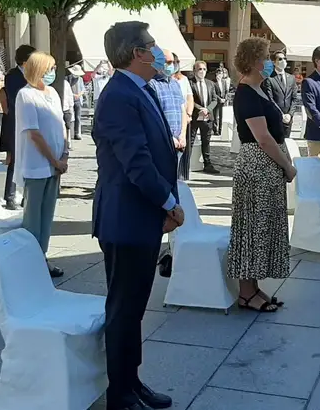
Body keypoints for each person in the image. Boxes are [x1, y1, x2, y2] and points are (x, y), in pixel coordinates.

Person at [92, 21, 182, 410]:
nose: (158, 51)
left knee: (134, 309)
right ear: (136, 53)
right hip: (126, 220)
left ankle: (132, 381)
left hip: (140, 218)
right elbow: (137, 162)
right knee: (124, 310)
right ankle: (120, 393)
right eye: (152, 45)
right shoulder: (118, 95)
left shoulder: (140, 89)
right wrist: (169, 203)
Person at [228, 37, 295, 313]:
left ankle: (253, 287)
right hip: (257, 166)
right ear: (254, 61)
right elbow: (263, 138)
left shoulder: (261, 88)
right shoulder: (246, 93)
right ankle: (246, 292)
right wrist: (287, 166)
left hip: (267, 166)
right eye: (266, 57)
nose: (270, 61)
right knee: (253, 228)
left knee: (263, 226)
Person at [16, 52, 68, 279]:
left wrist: (65, 154)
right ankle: (29, 262)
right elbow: (34, 133)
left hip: (56, 165)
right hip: (37, 165)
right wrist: (54, 160)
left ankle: (42, 257)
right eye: (50, 69)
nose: (53, 72)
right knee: (33, 217)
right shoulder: (26, 95)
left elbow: (61, 124)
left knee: (47, 216)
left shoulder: (53, 93)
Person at [0, 45, 35, 210]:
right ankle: (10, 196)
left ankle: (26, 196)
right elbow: (15, 99)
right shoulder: (12, 76)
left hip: (30, 122)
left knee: (29, 160)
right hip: (16, 123)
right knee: (15, 161)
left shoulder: (33, 75)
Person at [148, 48, 187, 160]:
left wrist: (183, 135)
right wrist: (169, 137)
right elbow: (154, 115)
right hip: (161, 142)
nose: (171, 65)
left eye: (173, 62)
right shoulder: (151, 84)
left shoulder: (175, 84)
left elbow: (182, 110)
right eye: (168, 62)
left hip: (178, 143)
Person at [189, 61, 220, 174]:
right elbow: (189, 99)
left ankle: (207, 164)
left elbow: (215, 99)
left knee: (206, 141)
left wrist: (208, 109)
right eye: (199, 69)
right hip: (195, 116)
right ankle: (185, 164)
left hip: (207, 117)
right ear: (194, 71)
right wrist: (199, 108)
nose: (202, 71)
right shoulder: (190, 83)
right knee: (190, 141)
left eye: (204, 69)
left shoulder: (210, 84)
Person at [262, 50, 298, 138]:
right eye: (280, 59)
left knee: (286, 142)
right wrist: (281, 114)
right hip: (275, 118)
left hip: (288, 119)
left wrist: (290, 114)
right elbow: (270, 99)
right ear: (274, 62)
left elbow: (294, 98)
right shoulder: (269, 78)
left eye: (285, 59)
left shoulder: (291, 78)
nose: (283, 61)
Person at [171, 54, 195, 180]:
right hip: (173, 118)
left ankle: (182, 175)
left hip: (184, 118)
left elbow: (189, 98)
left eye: (175, 62)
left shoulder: (183, 79)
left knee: (184, 147)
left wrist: (189, 114)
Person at [68, 64, 86, 140]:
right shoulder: (68, 78)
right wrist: (73, 95)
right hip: (70, 100)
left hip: (78, 100)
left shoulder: (80, 79)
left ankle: (77, 133)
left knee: (78, 117)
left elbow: (83, 89)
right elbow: (67, 89)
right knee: (71, 117)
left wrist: (79, 94)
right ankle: (71, 133)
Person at [213, 66, 230, 135]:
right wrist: (219, 99)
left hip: (222, 101)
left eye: (221, 73)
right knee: (215, 116)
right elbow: (213, 93)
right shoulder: (213, 82)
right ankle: (215, 130)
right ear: (216, 74)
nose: (220, 75)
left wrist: (225, 99)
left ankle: (220, 130)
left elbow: (226, 91)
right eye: (219, 73)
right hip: (215, 101)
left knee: (221, 116)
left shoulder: (224, 81)